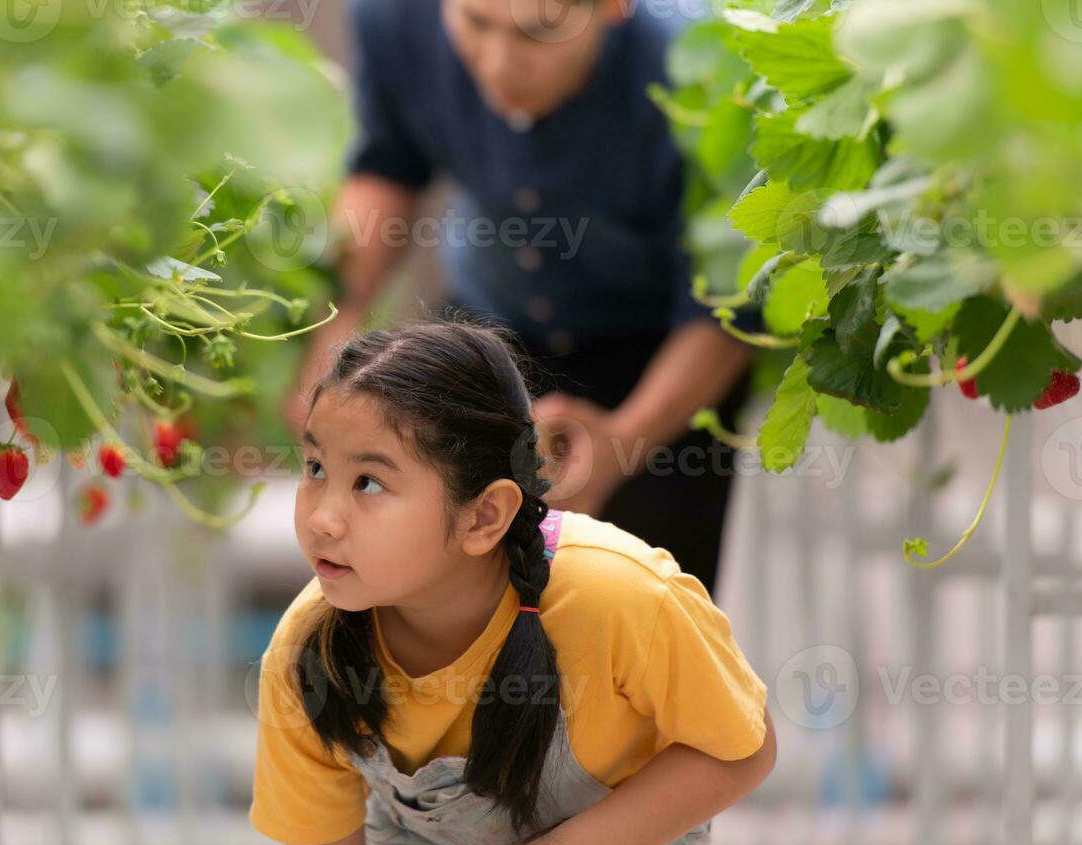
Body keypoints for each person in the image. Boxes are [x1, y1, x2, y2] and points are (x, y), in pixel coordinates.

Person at [254, 321, 775, 845]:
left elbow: (745, 748)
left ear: (484, 517)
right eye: (316, 468)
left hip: (611, 829)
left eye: (368, 483)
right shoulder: (309, 651)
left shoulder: (618, 594)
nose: (322, 516)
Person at [281, 0, 758, 599]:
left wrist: (624, 440)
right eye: (476, 24)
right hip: (485, 328)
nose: (501, 64)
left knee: (637, 613)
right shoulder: (393, 18)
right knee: (431, 589)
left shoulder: (701, 69)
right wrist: (334, 319)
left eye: (540, 31)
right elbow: (388, 164)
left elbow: (727, 308)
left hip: (655, 357)